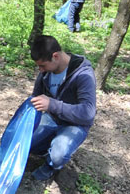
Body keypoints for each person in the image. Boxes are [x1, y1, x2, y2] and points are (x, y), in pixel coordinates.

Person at [29, 35, 96, 180]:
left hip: (75, 124)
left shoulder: (83, 75)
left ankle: (51, 164)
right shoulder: (46, 72)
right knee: (26, 142)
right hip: (52, 118)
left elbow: (88, 113)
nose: (40, 70)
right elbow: (36, 96)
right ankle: (47, 145)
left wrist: (52, 104)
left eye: (42, 65)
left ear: (55, 56)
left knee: (59, 154)